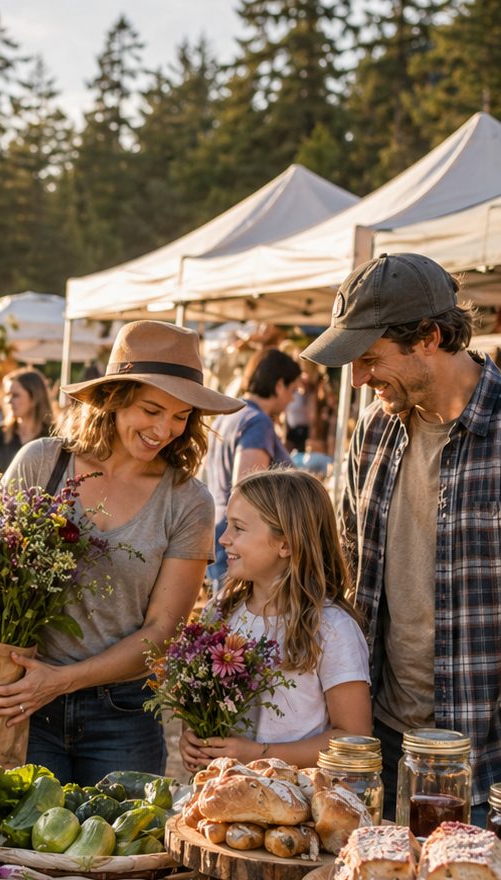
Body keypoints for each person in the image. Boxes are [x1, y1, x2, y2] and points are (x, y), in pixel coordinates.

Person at [0, 320, 245, 784]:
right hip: (22, 704)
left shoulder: (188, 501)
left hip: (123, 716)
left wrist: (62, 680)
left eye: (180, 415)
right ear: (113, 398)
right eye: (152, 409)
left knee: (115, 853)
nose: (164, 429)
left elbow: (162, 631)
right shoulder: (41, 463)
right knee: (17, 855)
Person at [304, 252, 501, 824]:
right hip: (379, 743)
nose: (358, 379)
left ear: (430, 338)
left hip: (482, 757)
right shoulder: (373, 430)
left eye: (369, 358)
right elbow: (344, 569)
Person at [180, 469, 372, 772]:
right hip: (225, 794)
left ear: (286, 544)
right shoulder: (219, 613)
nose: (223, 538)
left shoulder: (332, 629)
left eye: (239, 528)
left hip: (300, 801)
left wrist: (259, 754)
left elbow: (355, 736)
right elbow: (200, 703)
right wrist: (191, 737)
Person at [204, 348, 300, 584]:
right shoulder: (258, 422)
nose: (293, 399)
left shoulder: (228, 414)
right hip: (241, 544)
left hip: (219, 531)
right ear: (279, 385)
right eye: (293, 390)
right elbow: (249, 489)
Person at [0, 370, 53, 476]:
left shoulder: (53, 437)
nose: (8, 401)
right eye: (7, 395)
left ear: (35, 397)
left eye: (15, 395)